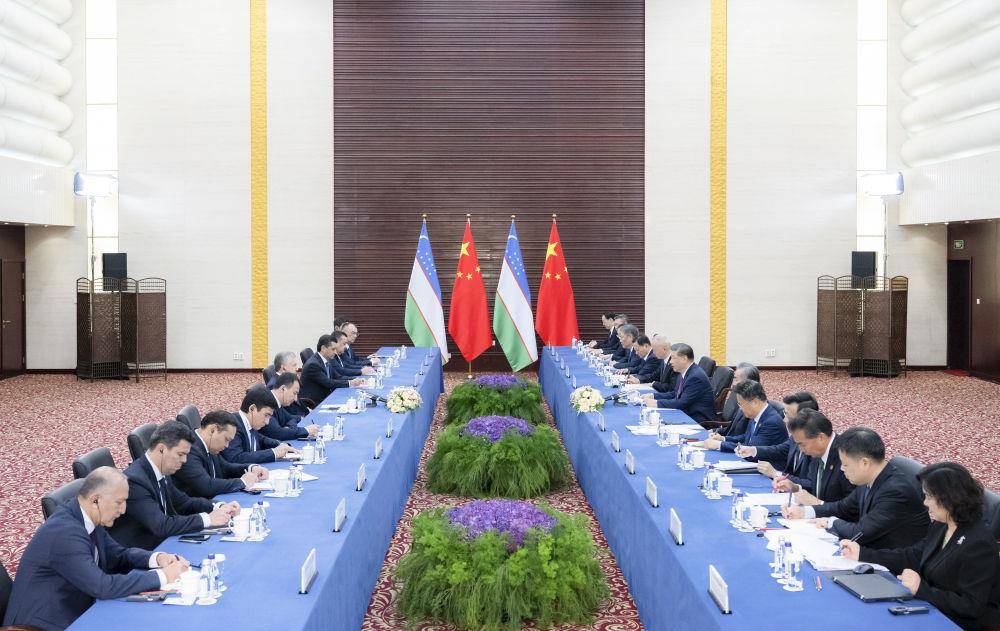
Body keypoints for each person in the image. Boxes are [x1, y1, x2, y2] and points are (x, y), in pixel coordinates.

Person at [3, 467, 190, 630]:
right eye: (119, 502)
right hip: (42, 624)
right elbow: (102, 587)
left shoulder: (86, 518)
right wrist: (163, 576)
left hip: (76, 607)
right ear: (95, 500)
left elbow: (119, 555)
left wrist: (157, 559)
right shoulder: (65, 533)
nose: (123, 510)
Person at [841, 462, 1000, 631]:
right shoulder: (943, 524)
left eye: (929, 497)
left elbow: (971, 606)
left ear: (949, 498)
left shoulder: (978, 544)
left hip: (955, 622)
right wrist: (863, 554)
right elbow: (913, 555)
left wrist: (921, 589)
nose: (925, 503)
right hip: (931, 606)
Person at [782, 426, 930, 549]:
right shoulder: (871, 476)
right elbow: (843, 507)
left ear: (864, 463)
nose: (842, 469)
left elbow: (860, 532)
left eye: (845, 464)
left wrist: (830, 522)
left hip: (893, 563)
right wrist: (805, 511)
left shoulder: (896, 491)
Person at [109, 421, 240, 549]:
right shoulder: (135, 481)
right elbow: (161, 525)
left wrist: (218, 506)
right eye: (180, 454)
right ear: (161, 449)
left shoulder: (162, 470)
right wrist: (208, 519)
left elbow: (184, 503)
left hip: (164, 542)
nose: (184, 460)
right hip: (141, 550)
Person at [173, 411, 270, 500]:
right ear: (213, 430)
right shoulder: (189, 449)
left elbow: (225, 468)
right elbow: (206, 486)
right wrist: (242, 482)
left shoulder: (209, 445)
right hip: (194, 509)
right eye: (226, 439)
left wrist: (251, 468)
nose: (227, 445)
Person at [735, 391, 818, 488]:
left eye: (789, 416)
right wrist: (753, 450)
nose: (785, 420)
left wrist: (776, 474)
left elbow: (811, 485)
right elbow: (780, 449)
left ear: (806, 418)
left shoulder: (817, 444)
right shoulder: (796, 436)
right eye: (785, 414)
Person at [775, 408, 856, 503]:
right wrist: (795, 487)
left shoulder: (846, 456)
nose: (801, 450)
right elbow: (815, 485)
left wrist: (819, 504)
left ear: (821, 437)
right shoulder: (818, 451)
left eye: (803, 444)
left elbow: (853, 506)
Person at [696, 380, 786, 459]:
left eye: (740, 404)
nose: (740, 408)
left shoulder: (771, 422)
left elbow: (751, 450)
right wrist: (723, 439)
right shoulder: (757, 414)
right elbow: (747, 437)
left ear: (754, 402)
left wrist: (719, 445)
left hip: (765, 467)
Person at [221, 385, 299, 465]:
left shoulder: (251, 424)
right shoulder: (232, 425)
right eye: (266, 415)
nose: (267, 422)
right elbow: (236, 458)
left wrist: (281, 445)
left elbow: (261, 439)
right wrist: (273, 453)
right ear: (252, 409)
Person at [642, 343, 716, 423]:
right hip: (686, 413)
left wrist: (656, 403)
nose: (670, 362)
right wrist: (653, 396)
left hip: (697, 420)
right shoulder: (685, 372)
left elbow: (682, 402)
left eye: (673, 358)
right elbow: (675, 394)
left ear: (684, 359)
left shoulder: (695, 377)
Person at [299, 333, 367, 404]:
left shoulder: (326, 359)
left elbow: (338, 377)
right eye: (333, 349)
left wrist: (355, 379)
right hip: (315, 402)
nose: (335, 352)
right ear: (323, 348)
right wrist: (350, 383)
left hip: (326, 396)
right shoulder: (313, 365)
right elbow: (328, 383)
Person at [262, 372, 319, 441]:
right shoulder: (266, 401)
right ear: (283, 389)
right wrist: (306, 430)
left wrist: (289, 428)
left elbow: (290, 418)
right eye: (294, 393)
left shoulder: (277, 401)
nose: (295, 399)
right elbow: (277, 433)